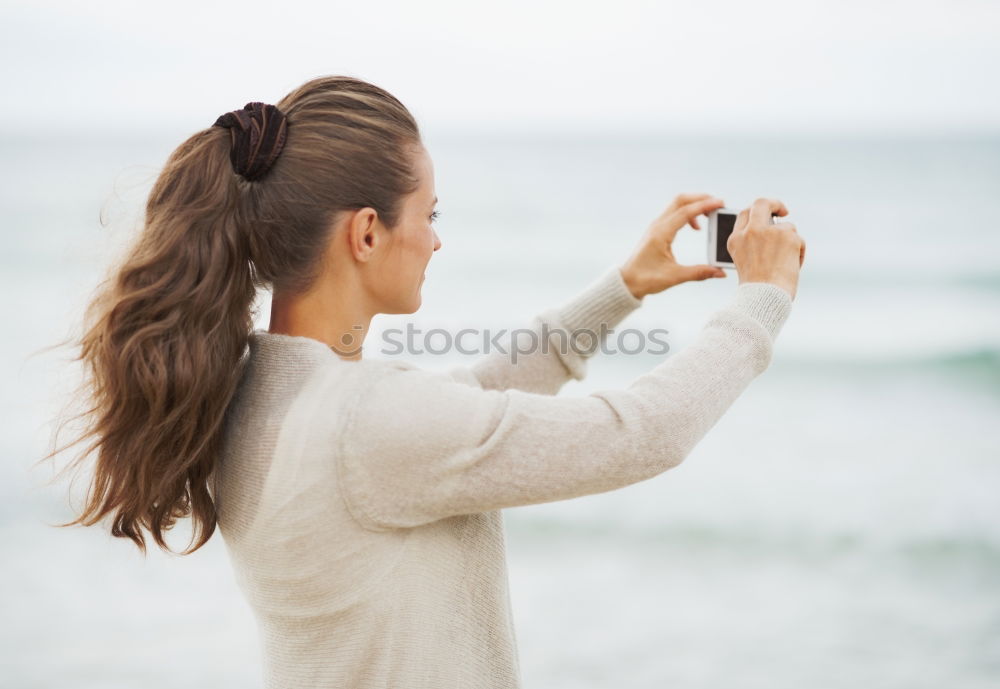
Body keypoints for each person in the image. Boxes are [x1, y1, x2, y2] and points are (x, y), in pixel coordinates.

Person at [47, 75, 805, 688]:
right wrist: (761, 302)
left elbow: (469, 400)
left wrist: (623, 288)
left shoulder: (254, 393)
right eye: (429, 213)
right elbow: (643, 432)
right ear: (368, 232)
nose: (437, 238)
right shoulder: (364, 422)